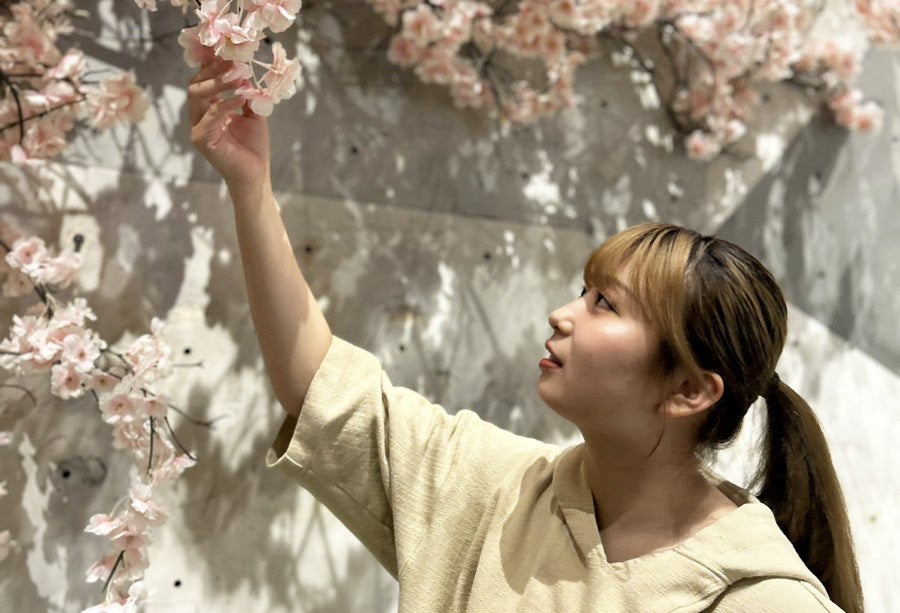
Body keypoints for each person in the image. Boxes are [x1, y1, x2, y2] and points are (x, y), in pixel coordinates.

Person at [188, 56, 864, 612]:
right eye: (583, 291)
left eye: (606, 304)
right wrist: (251, 186)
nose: (562, 314)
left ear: (689, 389)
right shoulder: (497, 487)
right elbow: (323, 393)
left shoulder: (755, 596)